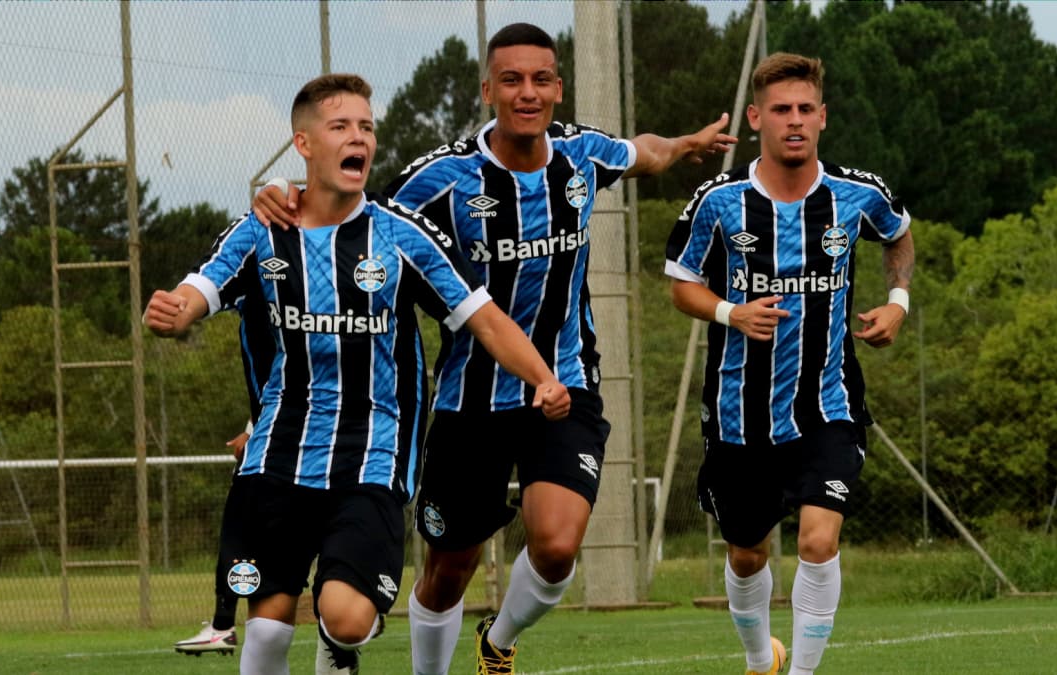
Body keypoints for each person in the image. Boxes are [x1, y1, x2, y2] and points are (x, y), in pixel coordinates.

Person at [252, 23, 735, 675]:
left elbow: (641, 152)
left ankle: (498, 640)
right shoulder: (441, 178)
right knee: (449, 565)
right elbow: (348, 213)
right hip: (468, 396)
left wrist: (686, 144)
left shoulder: (583, 155)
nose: (527, 92)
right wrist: (285, 191)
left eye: (540, 79)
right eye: (511, 79)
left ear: (558, 88)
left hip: (564, 384)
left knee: (558, 544)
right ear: (488, 90)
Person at [145, 72, 569, 675]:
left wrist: (542, 377)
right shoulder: (262, 231)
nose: (360, 139)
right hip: (280, 453)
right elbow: (195, 291)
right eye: (341, 126)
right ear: (305, 144)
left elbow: (486, 319)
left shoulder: (401, 237)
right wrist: (169, 311)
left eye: (367, 127)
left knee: (344, 615)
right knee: (264, 634)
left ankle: (338, 650)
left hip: (371, 454)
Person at [664, 52, 914, 675]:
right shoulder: (719, 201)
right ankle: (759, 660)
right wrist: (731, 313)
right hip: (737, 414)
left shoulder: (856, 194)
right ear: (756, 118)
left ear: (823, 117)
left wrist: (897, 303)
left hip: (828, 405)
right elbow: (679, 283)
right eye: (781, 110)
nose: (794, 121)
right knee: (748, 553)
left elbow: (900, 234)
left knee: (817, 540)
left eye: (805, 109)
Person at [174, 255, 272, 657]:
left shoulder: (266, 276)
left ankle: (222, 625)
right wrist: (252, 429)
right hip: (274, 425)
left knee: (241, 527)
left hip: (286, 433)